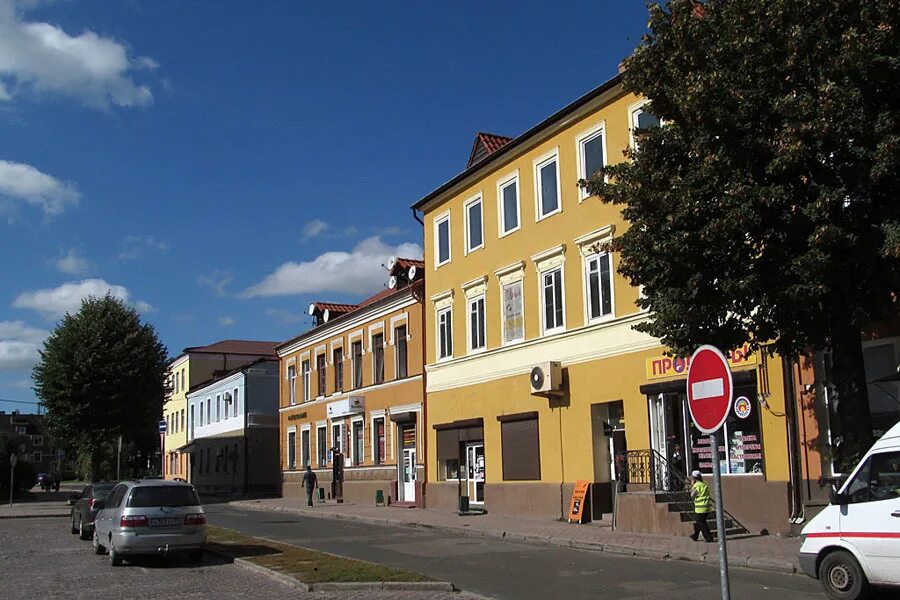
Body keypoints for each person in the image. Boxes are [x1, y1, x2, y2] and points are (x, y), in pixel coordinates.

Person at [689, 470, 714, 542]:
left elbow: (692, 495)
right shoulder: (704, 484)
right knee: (699, 522)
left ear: (694, 478)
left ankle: (709, 538)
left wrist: (693, 486)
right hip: (706, 507)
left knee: (702, 524)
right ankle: (695, 536)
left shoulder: (697, 486)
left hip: (700, 508)